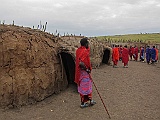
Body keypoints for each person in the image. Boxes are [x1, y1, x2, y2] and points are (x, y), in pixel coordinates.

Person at [75, 37, 96, 108]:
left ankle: (88, 101)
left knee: (83, 87)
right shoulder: (84, 51)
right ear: (86, 44)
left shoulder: (78, 50)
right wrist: (87, 69)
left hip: (79, 73)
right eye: (88, 43)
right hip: (84, 73)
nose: (88, 44)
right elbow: (81, 63)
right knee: (86, 87)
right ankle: (84, 102)